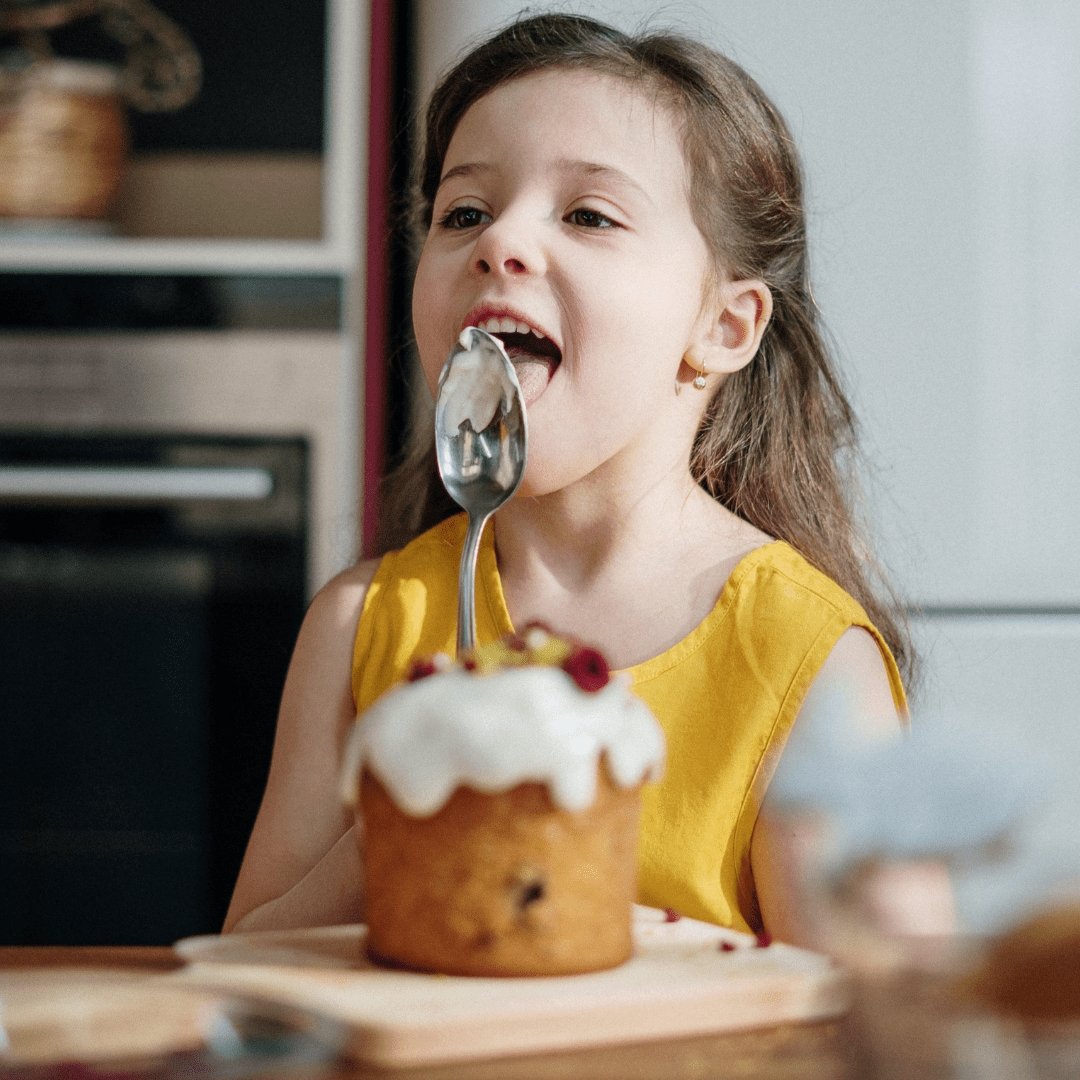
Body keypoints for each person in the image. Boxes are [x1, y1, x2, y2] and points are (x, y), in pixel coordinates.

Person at [223, 12, 915, 946]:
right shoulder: (360, 627)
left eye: (588, 215)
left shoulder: (807, 661)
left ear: (724, 327)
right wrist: (412, 824)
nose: (499, 241)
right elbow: (241, 974)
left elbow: (890, 1021)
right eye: (462, 212)